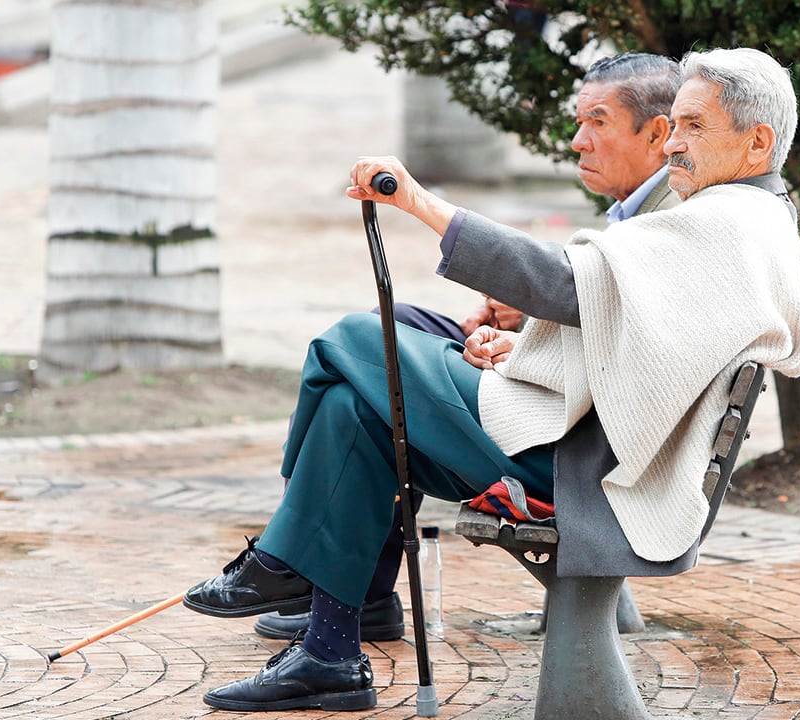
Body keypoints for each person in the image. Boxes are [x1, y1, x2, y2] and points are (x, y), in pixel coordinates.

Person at [185, 46, 800, 712]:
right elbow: (641, 343)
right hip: (591, 449)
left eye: (695, 126)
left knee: (352, 340)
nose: (676, 142)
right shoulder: (751, 218)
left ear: (757, 143)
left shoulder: (725, 222)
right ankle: (329, 653)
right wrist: (525, 352)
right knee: (357, 410)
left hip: (583, 471)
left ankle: (283, 561)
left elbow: (561, 282)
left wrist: (418, 202)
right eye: (677, 122)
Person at [188, 53, 686, 644]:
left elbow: (629, 354)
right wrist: (524, 332)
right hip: (568, 421)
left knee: (354, 345)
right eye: (579, 122)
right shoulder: (650, 211)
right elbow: (615, 329)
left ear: (657, 133)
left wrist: (518, 344)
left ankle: (292, 553)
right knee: (380, 350)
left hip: (574, 461)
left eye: (598, 122)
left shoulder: (673, 221)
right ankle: (347, 612)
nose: (578, 141)